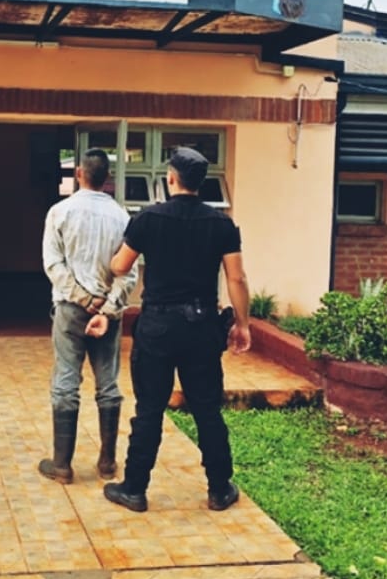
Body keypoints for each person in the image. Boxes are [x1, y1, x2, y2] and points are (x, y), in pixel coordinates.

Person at [103, 146, 251, 513]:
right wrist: (243, 324)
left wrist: (114, 257)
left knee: (149, 409)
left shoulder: (147, 219)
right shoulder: (221, 225)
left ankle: (134, 489)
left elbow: (120, 266)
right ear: (202, 182)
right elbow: (236, 278)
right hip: (202, 327)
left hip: (157, 326)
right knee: (207, 410)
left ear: (171, 178)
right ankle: (219, 489)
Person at [39, 148, 138, 484]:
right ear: (107, 178)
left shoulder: (60, 212)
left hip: (70, 309)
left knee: (66, 381)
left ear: (79, 173)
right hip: (108, 313)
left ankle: (62, 465)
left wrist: (82, 298)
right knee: (108, 383)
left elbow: (53, 264)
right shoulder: (122, 217)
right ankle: (107, 463)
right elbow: (129, 273)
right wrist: (106, 307)